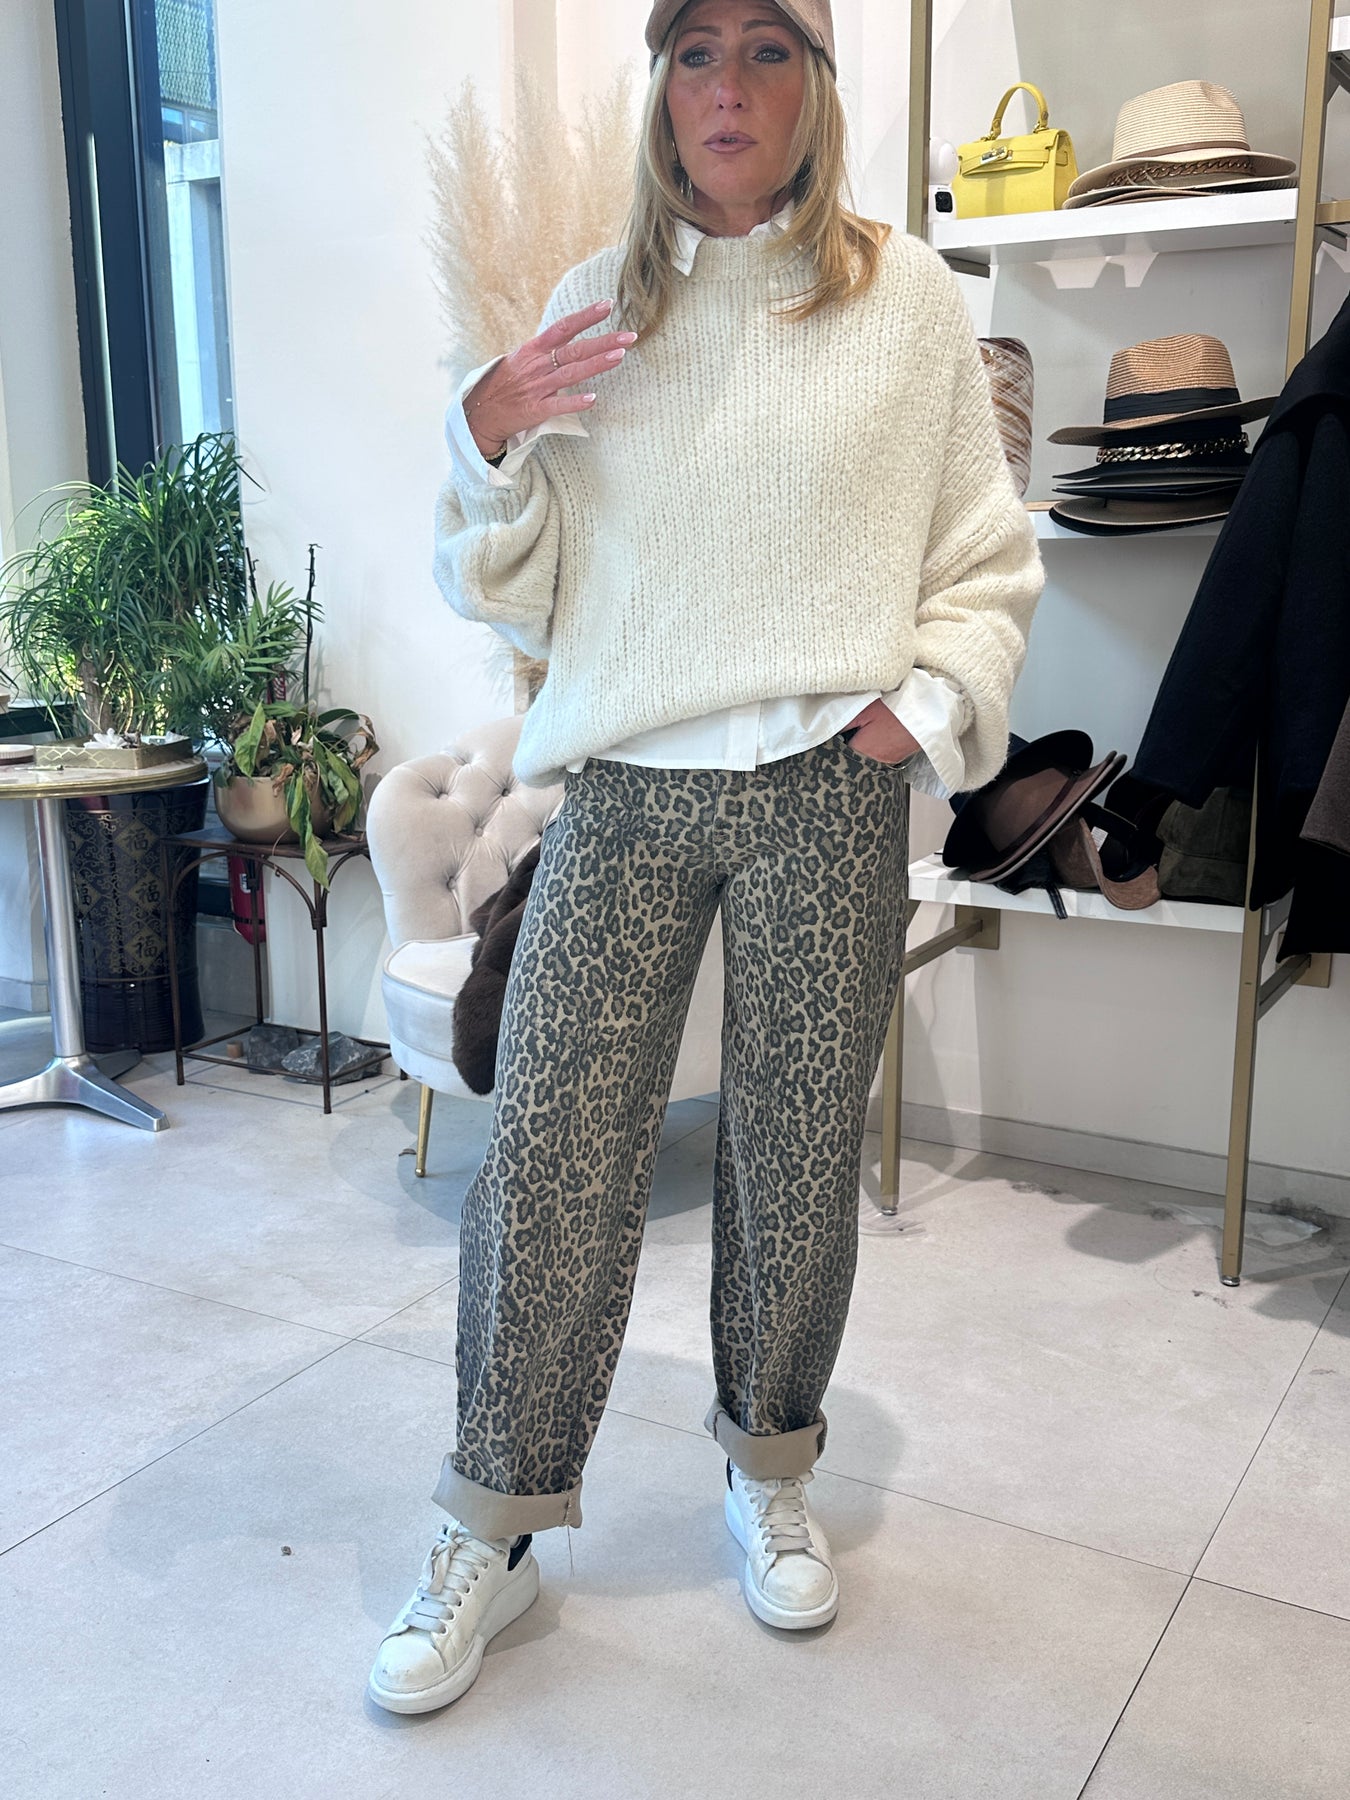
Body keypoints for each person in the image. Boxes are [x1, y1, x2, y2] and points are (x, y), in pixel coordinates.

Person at [368, 0, 1043, 1715]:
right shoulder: (594, 304)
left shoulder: (903, 303)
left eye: (765, 49)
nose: (726, 88)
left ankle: (769, 1467)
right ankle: (493, 1525)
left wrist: (919, 709)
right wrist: (484, 433)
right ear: (658, 85)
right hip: (625, 782)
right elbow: (515, 584)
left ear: (817, 83)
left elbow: (981, 556)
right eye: (693, 52)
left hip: (827, 783)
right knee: (550, 1153)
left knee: (797, 1153)